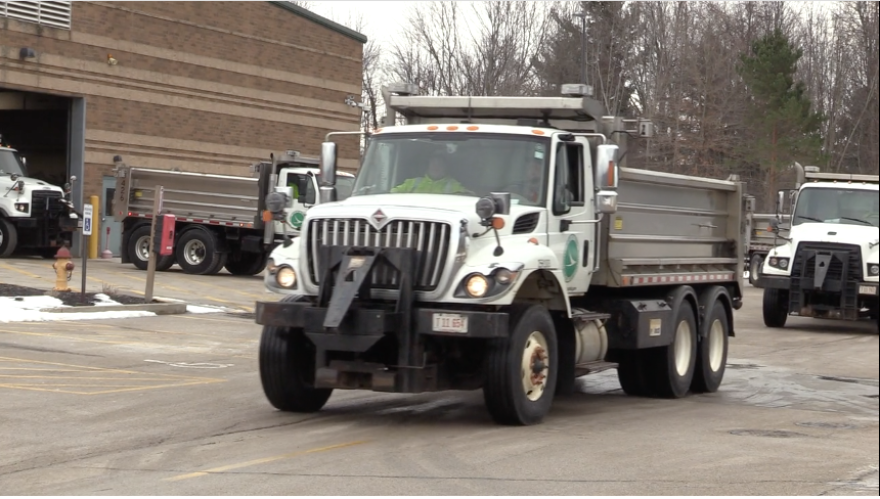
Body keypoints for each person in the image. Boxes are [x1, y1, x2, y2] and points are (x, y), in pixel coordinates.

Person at [391, 154, 471, 194]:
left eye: (440, 164)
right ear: (427, 166)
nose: (436, 167)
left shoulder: (454, 185)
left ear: (446, 167)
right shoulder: (412, 182)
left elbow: (469, 197)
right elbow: (392, 193)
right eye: (433, 163)